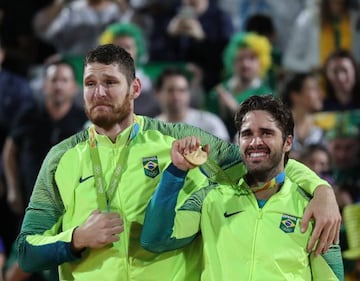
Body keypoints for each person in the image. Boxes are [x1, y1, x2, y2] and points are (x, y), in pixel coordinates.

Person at [17, 44, 340, 281]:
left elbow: (258, 159)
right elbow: (27, 251)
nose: (99, 92)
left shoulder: (180, 140)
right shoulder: (62, 158)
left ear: (135, 88)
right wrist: (75, 239)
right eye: (90, 84)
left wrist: (321, 188)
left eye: (110, 82)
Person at [141, 95, 344, 280]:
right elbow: (155, 240)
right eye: (247, 134)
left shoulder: (314, 209)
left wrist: (322, 191)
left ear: (287, 142)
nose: (255, 142)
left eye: (266, 133)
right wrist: (176, 172)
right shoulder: (211, 197)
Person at [206, 31, 272, 139]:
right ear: (232, 61)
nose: (245, 64)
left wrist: (236, 109)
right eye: (240, 59)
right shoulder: (218, 92)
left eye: (252, 58)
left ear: (262, 63)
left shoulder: (267, 95)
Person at [154, 67, 229, 141]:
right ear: (157, 93)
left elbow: (225, 152)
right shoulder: (150, 129)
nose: (176, 96)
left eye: (182, 90)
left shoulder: (210, 122)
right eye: (170, 90)